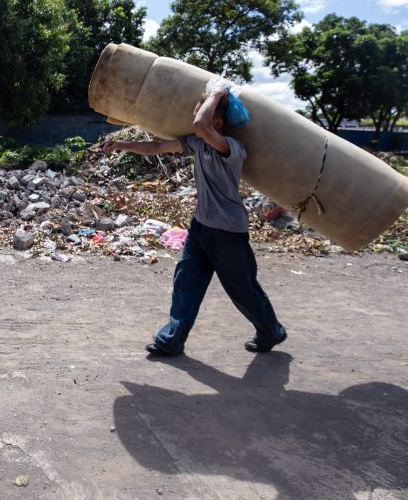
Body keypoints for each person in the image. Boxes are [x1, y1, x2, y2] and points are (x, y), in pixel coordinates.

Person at [101, 89, 287, 357]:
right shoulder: (197, 143)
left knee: (242, 288)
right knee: (186, 281)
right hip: (201, 226)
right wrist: (121, 146)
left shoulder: (232, 149)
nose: (194, 121)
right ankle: (171, 340)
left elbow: (201, 124)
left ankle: (271, 330)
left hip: (227, 231)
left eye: (199, 115)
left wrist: (218, 93)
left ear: (218, 124)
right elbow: (157, 147)